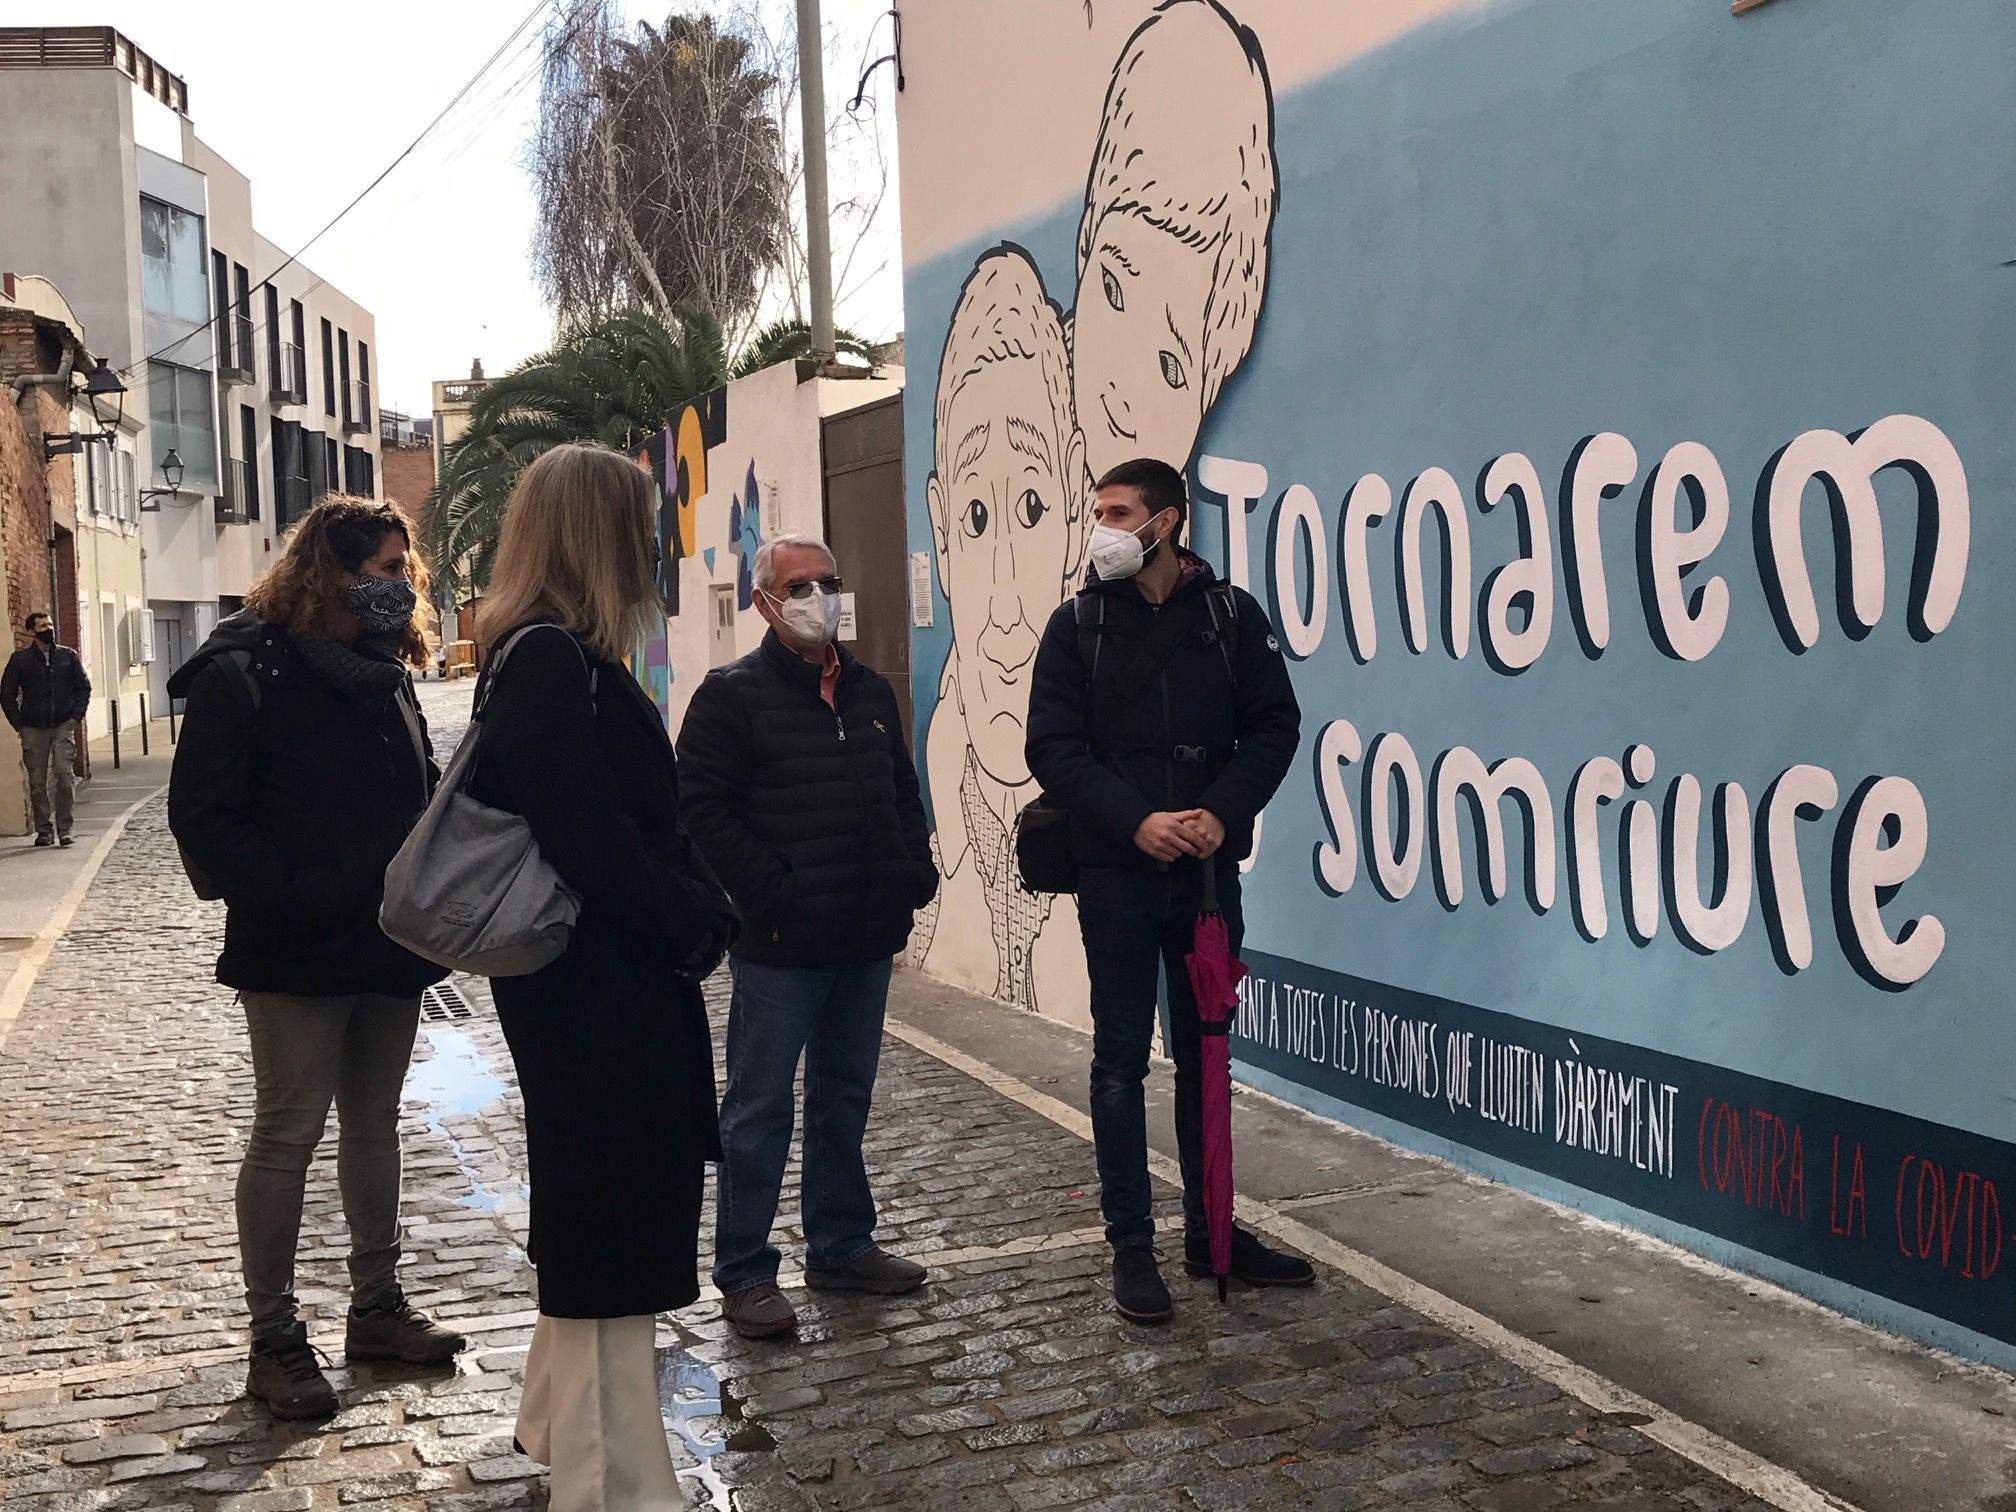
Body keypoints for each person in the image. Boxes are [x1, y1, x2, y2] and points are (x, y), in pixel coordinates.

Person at [468, 443, 734, 1511]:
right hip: (594, 984)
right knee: (611, 1225)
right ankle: (610, 1482)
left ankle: (561, 1427)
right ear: (595, 534)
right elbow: (590, 836)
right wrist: (690, 922)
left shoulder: (551, 654)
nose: (653, 544)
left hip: (596, 976)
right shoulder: (546, 660)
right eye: (639, 523)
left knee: (606, 1210)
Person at [166, 498, 464, 1419]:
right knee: (288, 1132)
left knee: (376, 1122)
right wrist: (296, 891)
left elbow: (415, 788)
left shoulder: (386, 671)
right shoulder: (244, 667)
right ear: (329, 572)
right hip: (293, 945)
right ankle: (274, 1337)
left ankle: (377, 1307)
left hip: (388, 939)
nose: (398, 587)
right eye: (383, 570)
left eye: (403, 571)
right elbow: (202, 817)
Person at [1025, 456, 1311, 1323]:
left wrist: (1220, 813)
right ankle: (1132, 1246)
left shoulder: (1230, 617)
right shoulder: (1077, 626)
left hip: (1206, 879)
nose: (1104, 529)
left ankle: (1213, 1233)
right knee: (1118, 1062)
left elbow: (1275, 727)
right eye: (1100, 512)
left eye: (1120, 513)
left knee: (1206, 1057)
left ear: (1168, 520)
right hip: (1116, 873)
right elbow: (1053, 747)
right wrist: (1136, 821)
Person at [677, 533, 938, 1341]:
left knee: (844, 1099)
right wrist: (772, 894)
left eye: (827, 582)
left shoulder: (867, 690)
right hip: (782, 948)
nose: (817, 598)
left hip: (864, 936)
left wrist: (912, 873)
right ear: (763, 602)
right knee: (758, 1108)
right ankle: (746, 1273)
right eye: (798, 587)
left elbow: (902, 790)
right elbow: (701, 810)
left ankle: (841, 1246)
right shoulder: (731, 696)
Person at [913, 244, 1092, 1013]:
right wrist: (954, 890)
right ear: (941, 532)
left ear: (1077, 512)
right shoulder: (935, 886)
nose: (1007, 604)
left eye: (1033, 508)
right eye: (978, 518)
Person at [2, 611, 91, 848]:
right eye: (42, 626)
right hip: (33, 726)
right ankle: (44, 830)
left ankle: (65, 829)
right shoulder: (21, 660)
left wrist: (75, 717)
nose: (48, 629)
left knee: (64, 775)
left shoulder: (67, 656)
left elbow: (83, 687)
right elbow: (7, 694)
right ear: (32, 631)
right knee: (37, 780)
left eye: (49, 624)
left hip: (63, 724)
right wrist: (18, 724)